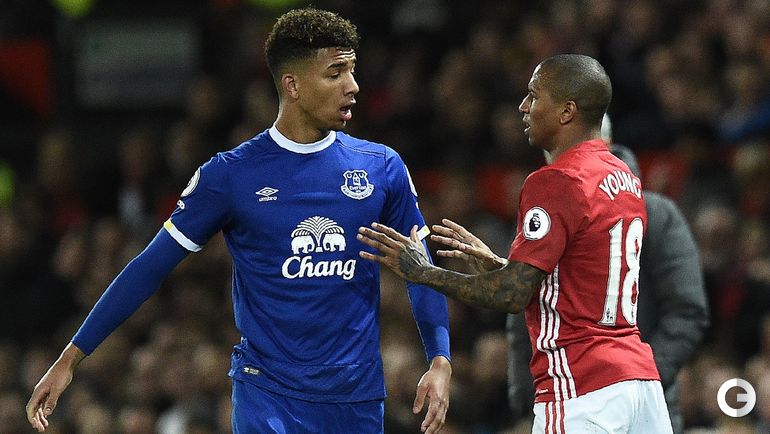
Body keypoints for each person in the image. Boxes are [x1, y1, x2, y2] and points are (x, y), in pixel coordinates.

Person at [26, 8, 451, 434]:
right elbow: (149, 266)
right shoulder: (230, 175)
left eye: (352, 71)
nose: (353, 85)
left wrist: (439, 358)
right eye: (335, 73)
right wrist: (70, 358)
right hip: (268, 397)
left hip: (355, 397)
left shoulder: (381, 167)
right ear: (293, 85)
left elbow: (421, 271)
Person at [357, 54, 673, 432]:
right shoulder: (624, 177)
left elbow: (511, 296)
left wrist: (422, 272)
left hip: (581, 385)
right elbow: (580, 277)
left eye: (534, 96)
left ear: (567, 111)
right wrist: (499, 265)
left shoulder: (555, 181)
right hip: (639, 382)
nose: (523, 106)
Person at [508, 136, 709, 434]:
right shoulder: (557, 201)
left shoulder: (656, 212)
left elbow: (686, 310)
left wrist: (645, 373)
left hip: (598, 386)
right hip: (610, 384)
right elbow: (527, 306)